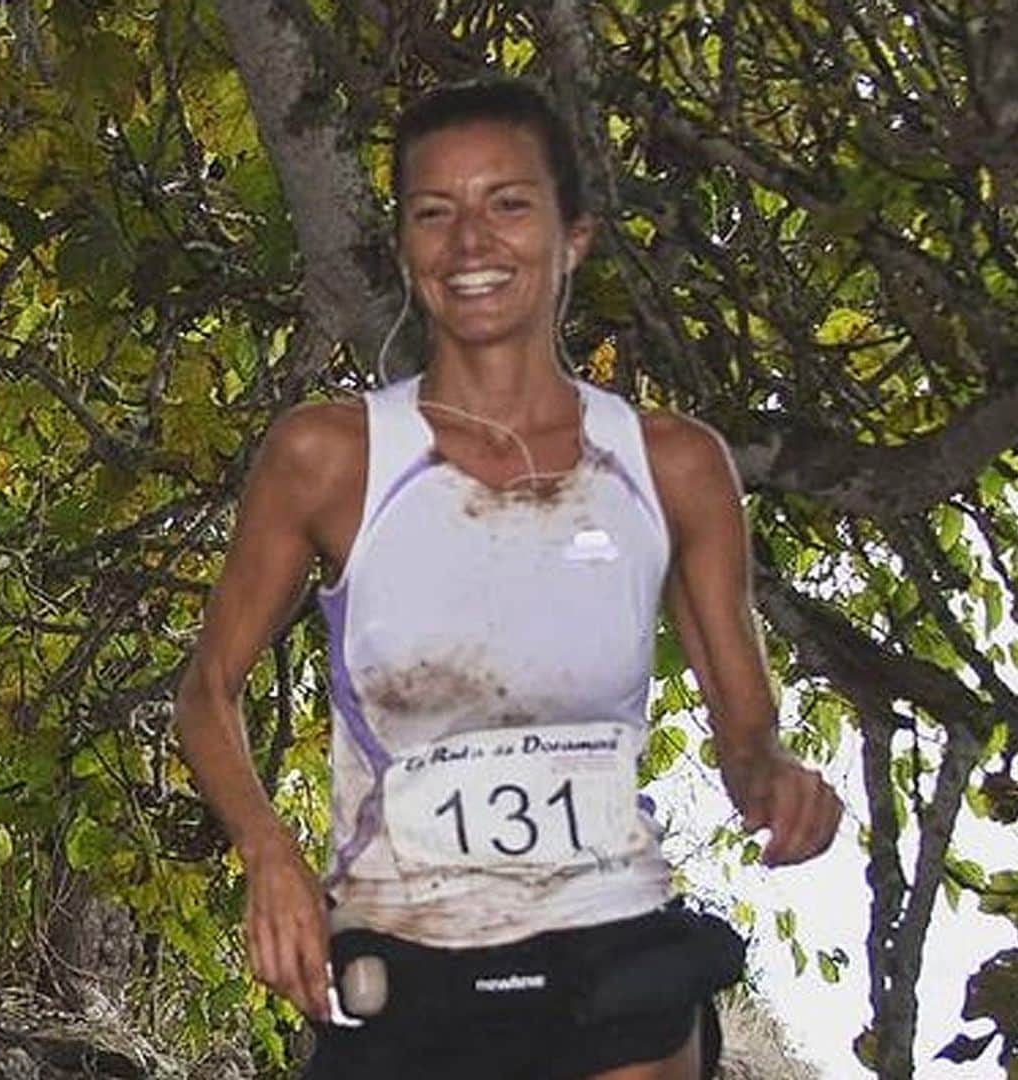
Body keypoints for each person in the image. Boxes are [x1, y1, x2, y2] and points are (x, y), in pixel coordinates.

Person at [174, 79, 843, 1080]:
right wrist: (268, 852)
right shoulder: (329, 455)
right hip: (405, 961)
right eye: (433, 213)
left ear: (574, 234)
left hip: (610, 954)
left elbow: (745, 741)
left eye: (508, 204)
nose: (469, 242)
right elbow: (207, 690)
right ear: (404, 246)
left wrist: (777, 780)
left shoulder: (673, 465)